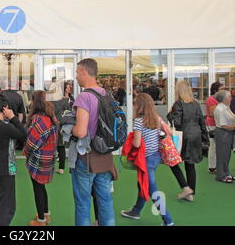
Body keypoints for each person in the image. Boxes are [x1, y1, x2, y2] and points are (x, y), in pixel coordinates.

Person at [71, 58, 116, 226]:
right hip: (106, 157)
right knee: (105, 201)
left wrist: (70, 128)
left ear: (84, 71)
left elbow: (81, 131)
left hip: (87, 158)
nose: (76, 76)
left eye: (77, 72)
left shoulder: (84, 97)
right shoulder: (107, 94)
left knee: (83, 204)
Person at [120, 93, 175, 226]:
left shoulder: (138, 121)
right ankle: (135, 211)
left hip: (145, 159)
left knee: (152, 189)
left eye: (134, 103)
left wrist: (130, 139)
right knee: (143, 184)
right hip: (155, 157)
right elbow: (171, 132)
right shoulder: (156, 118)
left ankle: (168, 220)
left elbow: (137, 144)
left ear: (139, 106)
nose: (133, 106)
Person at [0, 93, 27, 226]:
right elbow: (24, 135)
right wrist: (12, 117)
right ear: (6, 107)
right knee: (6, 207)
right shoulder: (6, 127)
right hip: (5, 171)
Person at [167, 80, 209, 200]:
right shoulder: (195, 103)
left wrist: (170, 114)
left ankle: (186, 188)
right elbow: (202, 121)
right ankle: (191, 191)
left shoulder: (178, 104)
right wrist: (205, 138)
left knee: (173, 162)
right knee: (190, 164)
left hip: (183, 136)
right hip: (196, 135)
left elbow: (177, 122)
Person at [23, 91, 58, 226]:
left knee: (37, 188)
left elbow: (31, 143)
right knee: (42, 187)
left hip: (38, 159)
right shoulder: (51, 117)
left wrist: (25, 152)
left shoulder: (38, 119)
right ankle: (45, 214)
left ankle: (41, 221)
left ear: (34, 102)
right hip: (49, 157)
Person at [213, 90, 235, 183]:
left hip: (228, 133)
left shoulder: (226, 107)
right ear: (225, 98)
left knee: (227, 155)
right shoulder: (220, 109)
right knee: (222, 155)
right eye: (229, 96)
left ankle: (226, 173)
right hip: (223, 133)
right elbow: (223, 125)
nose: (231, 98)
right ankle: (221, 175)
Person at [206, 82, 223, 174]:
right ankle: (212, 167)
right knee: (213, 146)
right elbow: (212, 114)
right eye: (221, 89)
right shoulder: (211, 99)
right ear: (216, 90)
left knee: (219, 146)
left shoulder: (220, 100)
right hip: (212, 124)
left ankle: (217, 165)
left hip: (220, 124)